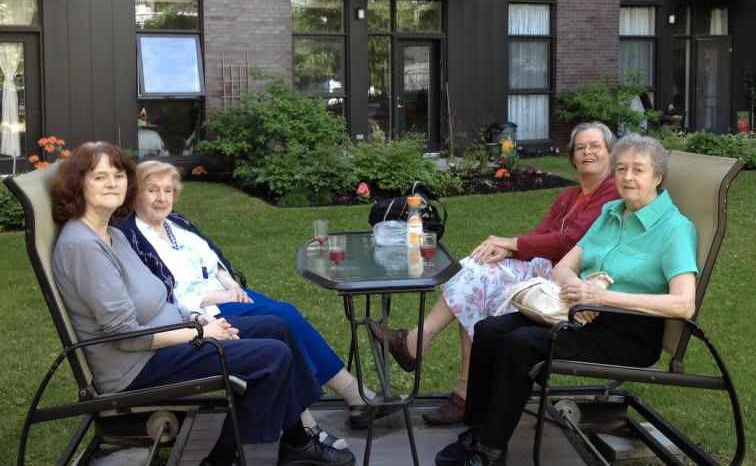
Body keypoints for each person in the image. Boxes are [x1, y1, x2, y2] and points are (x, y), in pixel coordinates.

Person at [50, 142, 355, 466]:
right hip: (136, 364)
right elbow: (125, 335)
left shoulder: (114, 235)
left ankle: (296, 441)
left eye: (118, 174)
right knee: (271, 357)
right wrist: (200, 332)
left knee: (276, 327)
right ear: (78, 184)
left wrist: (196, 316)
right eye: (99, 177)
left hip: (167, 336)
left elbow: (162, 296)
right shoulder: (83, 247)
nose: (112, 183)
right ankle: (225, 457)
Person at [435, 134, 698, 465]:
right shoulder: (611, 211)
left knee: (520, 343)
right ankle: (477, 429)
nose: (627, 177)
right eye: (620, 169)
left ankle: (490, 449)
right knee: (489, 330)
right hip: (581, 312)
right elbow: (562, 268)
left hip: (630, 332)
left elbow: (684, 304)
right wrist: (578, 287)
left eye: (638, 170)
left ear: (657, 177)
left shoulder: (674, 229)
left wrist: (603, 298)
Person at [114, 160, 397, 438]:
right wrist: (223, 294)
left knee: (286, 315)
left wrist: (230, 283)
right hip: (202, 309)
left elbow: (211, 257)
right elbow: (170, 292)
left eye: (167, 190)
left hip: (226, 293)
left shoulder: (175, 222)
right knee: (282, 319)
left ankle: (342, 402)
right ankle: (321, 414)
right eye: (152, 190)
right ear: (137, 192)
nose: (162, 197)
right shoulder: (135, 235)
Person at [369, 121, 620, 425]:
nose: (587, 152)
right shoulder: (568, 196)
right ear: (572, 156)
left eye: (595, 146)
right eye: (580, 147)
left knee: (476, 277)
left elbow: (570, 241)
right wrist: (511, 251)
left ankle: (419, 345)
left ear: (610, 153)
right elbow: (542, 236)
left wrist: (510, 243)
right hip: (547, 269)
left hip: (570, 281)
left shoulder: (610, 196)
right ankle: (459, 389)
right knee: (476, 280)